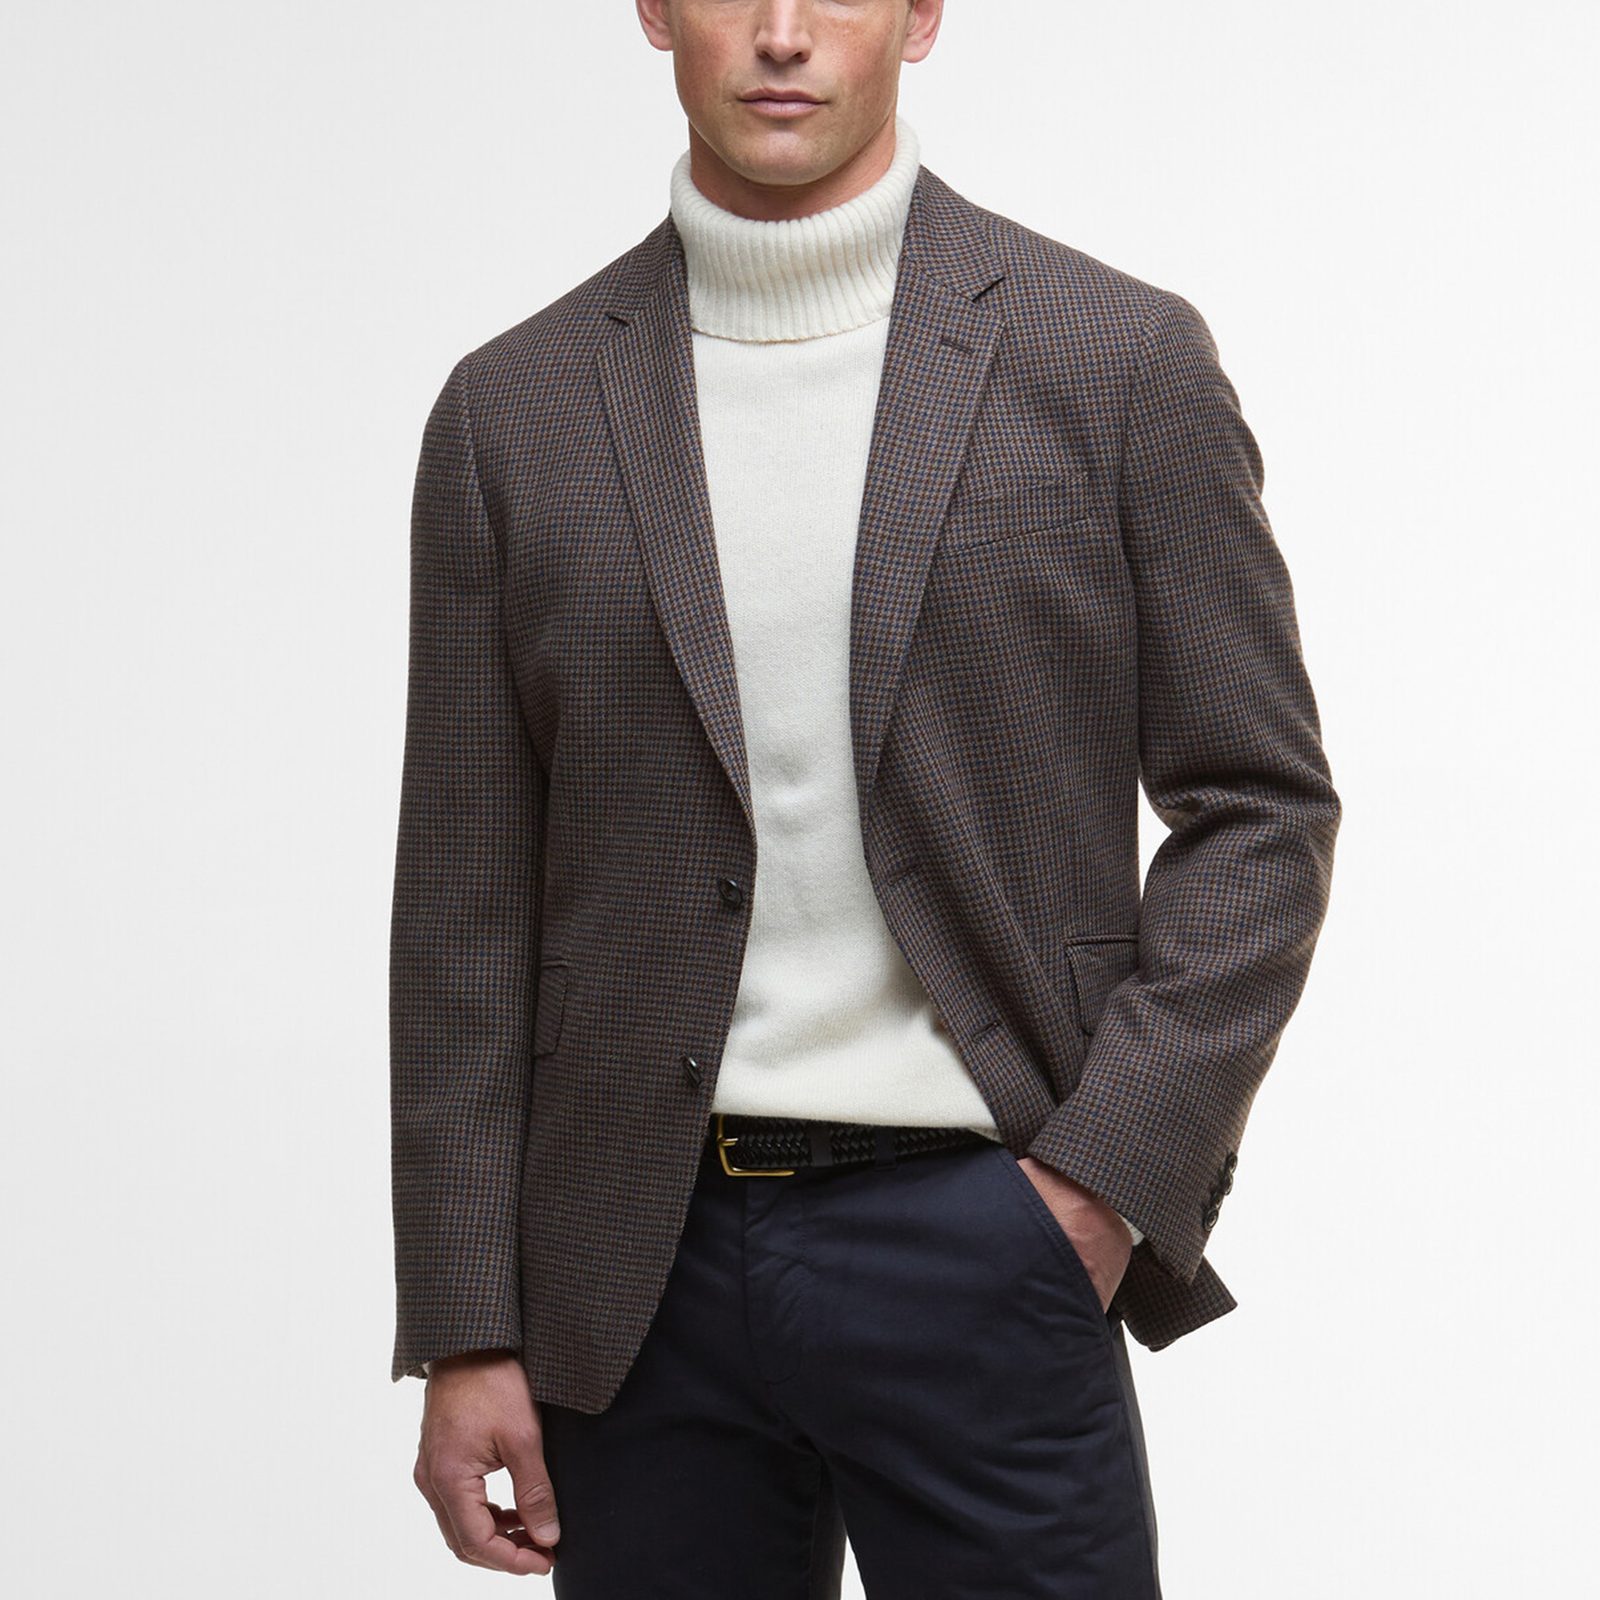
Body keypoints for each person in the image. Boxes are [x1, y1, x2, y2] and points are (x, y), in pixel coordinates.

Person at [391, 1, 1342, 1593]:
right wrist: (467, 1323)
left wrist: (1098, 1186)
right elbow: (465, 904)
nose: (780, 33)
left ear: (922, 13)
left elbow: (1260, 807)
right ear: (652, 11)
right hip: (633, 1281)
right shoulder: (517, 409)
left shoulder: (1113, 359)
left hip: (982, 1235)